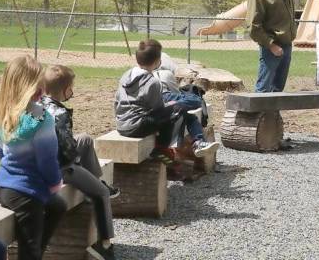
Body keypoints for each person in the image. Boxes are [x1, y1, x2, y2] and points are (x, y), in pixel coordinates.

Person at [42, 65, 119, 260]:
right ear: (66, 89)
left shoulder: (41, 104)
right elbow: (66, 152)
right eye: (72, 87)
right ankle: (104, 245)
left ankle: (97, 181)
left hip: (46, 159)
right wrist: (77, 161)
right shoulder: (59, 114)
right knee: (100, 194)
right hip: (59, 167)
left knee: (84, 138)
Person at [0, 55, 66, 260]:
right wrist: (54, 183)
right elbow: (47, 161)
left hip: (3, 187)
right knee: (30, 248)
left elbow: (1, 153)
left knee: (59, 206)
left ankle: (37, 252)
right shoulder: (41, 119)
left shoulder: (4, 112)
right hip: (26, 193)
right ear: (35, 88)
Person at [114, 39, 219, 167]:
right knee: (181, 109)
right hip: (137, 127)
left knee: (179, 108)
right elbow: (158, 110)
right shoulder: (152, 82)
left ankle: (197, 143)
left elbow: (117, 102)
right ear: (158, 61)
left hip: (121, 124)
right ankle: (163, 148)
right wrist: (175, 105)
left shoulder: (126, 75)